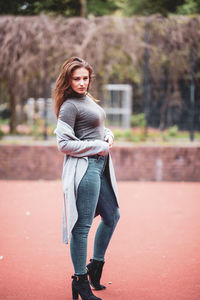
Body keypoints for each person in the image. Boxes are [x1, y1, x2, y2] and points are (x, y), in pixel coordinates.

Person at [53, 57, 120, 300]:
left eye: (85, 78)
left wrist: (108, 135)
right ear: (68, 81)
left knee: (112, 215)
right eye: (77, 79)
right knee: (81, 228)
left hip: (100, 166)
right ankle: (80, 281)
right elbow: (63, 144)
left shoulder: (87, 100)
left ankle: (95, 267)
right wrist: (98, 146)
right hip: (85, 169)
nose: (82, 83)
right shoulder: (69, 106)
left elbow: (97, 127)